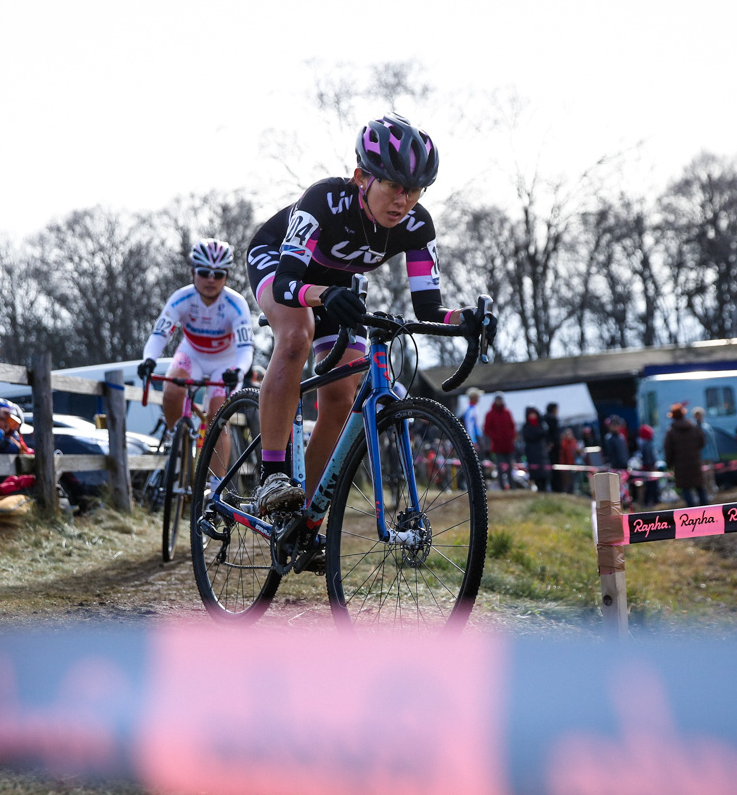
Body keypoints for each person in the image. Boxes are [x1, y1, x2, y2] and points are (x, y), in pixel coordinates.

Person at [243, 114, 488, 516]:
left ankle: (304, 519)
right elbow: (287, 282)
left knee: (342, 394)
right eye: (393, 186)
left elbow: (429, 308)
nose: (402, 201)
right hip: (279, 263)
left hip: (339, 286)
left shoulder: (418, 225)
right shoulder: (324, 199)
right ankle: (272, 476)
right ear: (361, 177)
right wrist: (323, 295)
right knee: (296, 335)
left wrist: (464, 320)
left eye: (414, 190)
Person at [137, 239, 253, 442]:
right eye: (204, 272)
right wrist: (149, 360)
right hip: (192, 355)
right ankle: (175, 443)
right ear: (192, 272)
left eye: (218, 274)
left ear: (226, 276)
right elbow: (160, 334)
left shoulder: (236, 304)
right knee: (172, 391)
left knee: (218, 419)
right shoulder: (181, 298)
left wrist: (238, 371)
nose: (211, 280)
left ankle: (213, 465)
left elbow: (245, 346)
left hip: (225, 363)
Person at [662, 403, 708, 507]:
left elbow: (668, 450)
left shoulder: (671, 432)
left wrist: (669, 465)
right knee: (700, 487)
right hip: (695, 463)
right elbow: (702, 441)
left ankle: (691, 512)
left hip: (680, 465)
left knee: (686, 489)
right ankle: (707, 509)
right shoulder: (693, 427)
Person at [483, 395, 518, 490]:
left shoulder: (507, 412)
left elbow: (512, 426)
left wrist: (511, 436)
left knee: (510, 467)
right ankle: (502, 486)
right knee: (500, 467)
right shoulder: (490, 414)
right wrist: (495, 437)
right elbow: (487, 429)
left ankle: (512, 485)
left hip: (508, 445)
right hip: (497, 446)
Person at [521, 406, 551, 492]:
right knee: (536, 476)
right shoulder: (526, 427)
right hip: (532, 454)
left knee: (544, 476)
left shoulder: (542, 425)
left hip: (542, 454)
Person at [637, 423, 661, 503]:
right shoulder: (647, 444)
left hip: (646, 467)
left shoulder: (642, 443)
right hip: (650, 467)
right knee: (653, 485)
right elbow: (651, 457)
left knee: (648, 486)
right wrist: (653, 465)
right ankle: (654, 501)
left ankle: (647, 502)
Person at [544, 402, 563, 492]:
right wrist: (552, 442)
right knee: (555, 469)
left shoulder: (545, 418)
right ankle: (556, 488)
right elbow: (552, 432)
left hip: (552, 447)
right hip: (553, 448)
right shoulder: (551, 419)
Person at [460, 387, 485, 454]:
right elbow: (469, 426)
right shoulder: (470, 409)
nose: (479, 398)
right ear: (474, 397)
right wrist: (473, 441)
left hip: (477, 437)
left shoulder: (474, 408)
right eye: (477, 396)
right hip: (475, 438)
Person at [558, 425, 580, 495]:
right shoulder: (563, 443)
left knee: (573, 482)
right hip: (566, 466)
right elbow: (562, 455)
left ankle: (573, 493)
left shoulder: (573, 442)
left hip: (573, 464)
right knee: (567, 482)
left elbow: (576, 451)